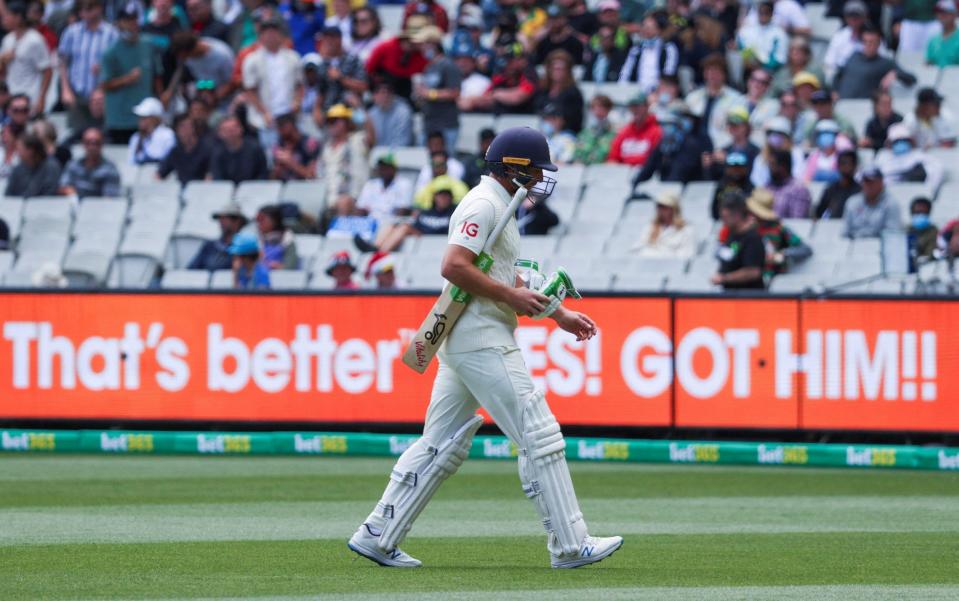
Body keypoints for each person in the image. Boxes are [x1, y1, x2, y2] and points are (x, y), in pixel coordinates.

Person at [348, 126, 622, 570]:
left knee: (440, 443)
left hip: (469, 337)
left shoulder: (502, 205)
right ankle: (571, 545)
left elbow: (502, 273)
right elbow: (454, 266)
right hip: (481, 337)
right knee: (538, 433)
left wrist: (558, 314)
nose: (540, 178)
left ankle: (378, 534)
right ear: (513, 167)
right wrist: (512, 299)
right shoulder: (483, 203)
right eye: (535, 170)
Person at [101, 8, 161, 144]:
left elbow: (157, 75)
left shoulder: (148, 44)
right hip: (119, 119)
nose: (132, 23)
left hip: (145, 117)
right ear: (118, 23)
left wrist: (160, 99)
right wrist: (127, 79)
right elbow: (105, 85)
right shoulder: (111, 51)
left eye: (134, 19)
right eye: (127, 20)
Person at [58, 0, 118, 132]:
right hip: (77, 94)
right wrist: (65, 90)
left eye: (90, 8)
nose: (86, 13)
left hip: (102, 96)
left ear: (99, 8)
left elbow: (117, 65)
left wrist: (104, 71)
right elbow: (63, 63)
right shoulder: (71, 32)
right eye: (82, 9)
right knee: (76, 136)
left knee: (100, 137)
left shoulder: (112, 33)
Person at [242, 15, 303, 133]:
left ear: (281, 35)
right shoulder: (251, 60)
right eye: (267, 33)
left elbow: (299, 85)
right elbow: (250, 90)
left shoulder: (293, 57)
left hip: (290, 115)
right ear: (260, 37)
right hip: (265, 118)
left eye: (274, 32)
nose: (271, 36)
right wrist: (264, 113)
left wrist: (296, 102)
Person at [742, 188, 812, 281]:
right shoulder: (743, 228)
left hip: (771, 278)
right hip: (746, 278)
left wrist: (782, 254)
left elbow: (805, 249)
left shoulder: (779, 229)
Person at [834, 25, 916, 100]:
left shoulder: (885, 63)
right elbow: (838, 75)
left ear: (878, 43)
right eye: (865, 41)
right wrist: (834, 91)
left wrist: (896, 74)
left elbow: (912, 79)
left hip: (862, 106)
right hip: (841, 102)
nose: (868, 45)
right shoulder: (854, 56)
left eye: (871, 42)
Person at [635, 103, 711, 184]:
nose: (665, 129)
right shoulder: (663, 144)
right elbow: (647, 169)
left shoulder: (692, 144)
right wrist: (634, 187)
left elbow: (678, 173)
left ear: (679, 125)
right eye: (663, 125)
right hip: (670, 188)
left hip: (691, 189)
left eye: (670, 125)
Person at [413, 26, 462, 150]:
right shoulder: (429, 67)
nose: (421, 48)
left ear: (433, 44)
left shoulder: (448, 65)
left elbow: (455, 92)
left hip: (446, 124)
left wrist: (429, 94)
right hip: (429, 123)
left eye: (423, 44)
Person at [0, 1, 52, 116]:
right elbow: (2, 72)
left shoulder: (35, 40)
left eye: (7, 15)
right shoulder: (7, 40)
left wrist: (42, 98)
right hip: (11, 97)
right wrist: (3, 60)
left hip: (30, 96)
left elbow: (47, 71)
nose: (4, 19)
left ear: (18, 17)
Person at [685, 53, 743, 149]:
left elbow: (735, 130)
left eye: (716, 71)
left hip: (720, 145)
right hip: (692, 146)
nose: (712, 75)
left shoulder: (736, 99)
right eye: (709, 70)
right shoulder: (693, 97)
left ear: (724, 74)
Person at [365, 16, 429, 102]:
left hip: (406, 92)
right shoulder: (386, 47)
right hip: (383, 90)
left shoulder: (422, 55)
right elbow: (369, 68)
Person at [462, 43, 537, 114]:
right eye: (507, 60)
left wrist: (497, 94)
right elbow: (486, 96)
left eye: (512, 60)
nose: (508, 64)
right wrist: (472, 101)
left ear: (522, 61)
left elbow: (518, 97)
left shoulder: (530, 75)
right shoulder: (501, 77)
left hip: (526, 121)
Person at [711, 192, 765, 290]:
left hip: (748, 298)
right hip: (730, 296)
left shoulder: (752, 238)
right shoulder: (732, 235)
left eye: (725, 217)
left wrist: (725, 278)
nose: (723, 221)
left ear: (737, 214)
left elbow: (753, 272)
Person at [310, 25, 368, 118]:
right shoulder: (323, 64)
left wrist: (341, 78)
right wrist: (316, 110)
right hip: (329, 115)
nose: (329, 41)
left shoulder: (353, 60)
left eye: (332, 38)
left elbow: (363, 86)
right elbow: (321, 92)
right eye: (326, 38)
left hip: (351, 113)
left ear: (340, 39)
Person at [617, 10, 678, 93]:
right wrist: (622, 90)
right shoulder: (636, 50)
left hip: (659, 92)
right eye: (644, 27)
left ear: (658, 29)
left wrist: (658, 91)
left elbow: (669, 73)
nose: (646, 30)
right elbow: (625, 73)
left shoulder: (668, 48)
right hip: (636, 91)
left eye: (650, 27)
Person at [874, 123, 944, 191]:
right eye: (897, 140)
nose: (900, 142)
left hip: (914, 192)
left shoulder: (918, 155)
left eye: (904, 139)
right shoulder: (882, 156)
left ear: (910, 141)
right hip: (888, 192)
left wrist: (927, 189)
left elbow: (936, 170)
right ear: (890, 142)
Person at [319, 103, 368, 199]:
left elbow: (372, 137)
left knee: (343, 202)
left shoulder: (357, 139)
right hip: (327, 199)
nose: (332, 124)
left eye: (335, 121)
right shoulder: (326, 147)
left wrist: (359, 109)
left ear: (347, 122)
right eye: (329, 121)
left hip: (352, 199)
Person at [169, 30, 235, 103]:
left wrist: (215, 97)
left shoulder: (222, 55)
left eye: (186, 56)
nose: (186, 59)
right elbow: (206, 81)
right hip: (206, 87)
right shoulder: (187, 57)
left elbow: (232, 82)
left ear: (192, 50)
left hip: (225, 97)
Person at [356, 153, 414, 231]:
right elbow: (361, 209)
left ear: (394, 168)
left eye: (387, 167)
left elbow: (402, 211)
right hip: (370, 224)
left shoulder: (404, 184)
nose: (383, 170)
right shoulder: (370, 184)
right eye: (381, 167)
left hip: (391, 225)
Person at [59, 127, 121, 198]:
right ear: (82, 144)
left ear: (102, 144)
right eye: (88, 142)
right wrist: (70, 192)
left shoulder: (110, 169)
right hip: (74, 204)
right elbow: (63, 187)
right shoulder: (73, 165)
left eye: (96, 143)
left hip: (99, 207)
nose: (92, 147)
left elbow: (109, 198)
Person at [843, 166, 902, 239]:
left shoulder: (891, 204)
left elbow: (892, 233)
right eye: (865, 181)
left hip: (880, 246)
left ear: (881, 182)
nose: (867, 185)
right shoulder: (852, 202)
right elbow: (845, 232)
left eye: (871, 182)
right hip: (854, 246)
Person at [631, 192, 696, 258]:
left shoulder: (687, 229)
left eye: (664, 207)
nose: (660, 209)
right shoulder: (650, 227)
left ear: (673, 209)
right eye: (659, 206)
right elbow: (637, 248)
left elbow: (687, 255)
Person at [534, 49, 583, 134]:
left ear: (568, 71)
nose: (557, 72)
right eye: (555, 68)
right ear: (549, 69)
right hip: (540, 129)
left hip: (566, 133)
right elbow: (536, 111)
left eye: (561, 69)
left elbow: (573, 120)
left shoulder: (573, 93)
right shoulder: (542, 90)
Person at [189, 201, 248, 270]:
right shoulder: (209, 246)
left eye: (225, 218)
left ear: (237, 221)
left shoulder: (246, 247)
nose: (221, 221)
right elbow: (191, 270)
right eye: (220, 218)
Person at [703, 107, 760, 180]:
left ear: (746, 126)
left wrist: (728, 160)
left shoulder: (755, 151)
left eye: (736, 125)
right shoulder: (724, 150)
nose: (733, 127)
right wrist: (709, 166)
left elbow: (753, 175)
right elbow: (715, 178)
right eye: (730, 124)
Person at [210, 114, 269, 183]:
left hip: (254, 189)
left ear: (241, 128)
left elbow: (263, 174)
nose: (231, 132)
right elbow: (217, 178)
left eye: (234, 128)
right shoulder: (217, 152)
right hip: (227, 191)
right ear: (220, 133)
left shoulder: (255, 148)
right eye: (226, 130)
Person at [608, 93, 662, 167]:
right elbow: (613, 158)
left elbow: (655, 159)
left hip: (645, 172)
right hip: (622, 173)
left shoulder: (656, 132)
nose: (635, 110)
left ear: (646, 107)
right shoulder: (624, 131)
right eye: (632, 106)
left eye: (638, 106)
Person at [158, 113, 213, 184]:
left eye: (189, 126)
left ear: (194, 128)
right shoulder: (175, 151)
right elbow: (160, 174)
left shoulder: (207, 149)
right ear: (176, 130)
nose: (185, 130)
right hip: (180, 190)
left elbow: (210, 175)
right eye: (182, 127)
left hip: (200, 189)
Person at [751, 116, 804, 187]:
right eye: (770, 133)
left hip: (790, 191)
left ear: (786, 136)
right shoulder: (761, 158)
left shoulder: (796, 153)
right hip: (766, 193)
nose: (774, 136)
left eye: (778, 133)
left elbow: (798, 175)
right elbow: (756, 180)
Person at [736, 0, 787, 72]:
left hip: (769, 71)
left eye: (767, 13)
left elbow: (780, 59)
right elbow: (741, 47)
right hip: (748, 68)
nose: (763, 15)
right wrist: (748, 59)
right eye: (761, 12)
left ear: (772, 14)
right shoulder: (746, 30)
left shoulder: (779, 34)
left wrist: (763, 65)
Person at [5, 133, 61, 197]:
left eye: (19, 149)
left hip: (44, 205)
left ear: (30, 151)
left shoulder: (51, 166)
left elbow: (49, 192)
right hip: (17, 205)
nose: (17, 153)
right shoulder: (17, 170)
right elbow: (8, 194)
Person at [271, 112, 320, 181]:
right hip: (284, 189)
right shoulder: (279, 146)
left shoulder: (310, 144)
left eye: (282, 126)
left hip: (305, 188)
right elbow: (273, 179)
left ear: (290, 124)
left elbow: (312, 176)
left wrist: (291, 163)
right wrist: (278, 168)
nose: (279, 130)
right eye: (278, 127)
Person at [127, 97, 175, 165]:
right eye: (140, 117)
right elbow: (131, 163)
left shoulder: (168, 135)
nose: (141, 120)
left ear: (155, 119)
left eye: (145, 117)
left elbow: (168, 162)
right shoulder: (135, 138)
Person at [816, 150, 861, 219]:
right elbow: (818, 214)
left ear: (855, 166)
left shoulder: (861, 191)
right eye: (843, 163)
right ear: (838, 166)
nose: (846, 167)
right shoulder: (830, 190)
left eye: (850, 164)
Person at [802, 119, 851, 184]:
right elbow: (807, 178)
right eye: (822, 134)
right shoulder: (813, 156)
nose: (825, 136)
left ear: (836, 136)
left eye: (829, 133)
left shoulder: (841, 156)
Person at [367, 80, 414, 148]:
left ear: (393, 94)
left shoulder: (403, 111)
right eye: (382, 93)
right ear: (374, 96)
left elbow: (403, 142)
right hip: (376, 153)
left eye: (388, 92)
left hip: (400, 153)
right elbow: (370, 140)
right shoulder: (371, 113)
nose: (385, 96)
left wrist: (387, 156)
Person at [767, 149, 811, 219]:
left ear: (783, 166)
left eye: (773, 165)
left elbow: (797, 221)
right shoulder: (768, 186)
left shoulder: (799, 189)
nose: (770, 168)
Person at [711, 150, 754, 220]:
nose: (736, 170)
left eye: (739, 167)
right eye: (733, 167)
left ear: (745, 168)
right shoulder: (721, 187)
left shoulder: (750, 187)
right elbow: (714, 213)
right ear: (727, 168)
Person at [574, 94, 616, 165]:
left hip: (602, 169)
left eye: (602, 107)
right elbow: (577, 154)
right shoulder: (585, 133)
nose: (598, 111)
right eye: (594, 108)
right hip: (582, 168)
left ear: (608, 110)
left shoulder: (614, 133)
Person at [255, 204, 299, 270]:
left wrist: (279, 267)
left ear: (275, 220)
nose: (259, 223)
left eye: (262, 219)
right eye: (258, 220)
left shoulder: (288, 239)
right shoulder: (256, 240)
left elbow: (289, 266)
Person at [926, 0, 959, 68]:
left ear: (955, 14)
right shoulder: (933, 40)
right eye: (939, 12)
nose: (942, 15)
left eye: (946, 12)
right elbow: (928, 64)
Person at [908, 196, 938, 262]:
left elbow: (930, 254)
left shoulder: (933, 231)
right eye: (917, 213)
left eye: (923, 213)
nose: (920, 215)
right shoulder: (905, 230)